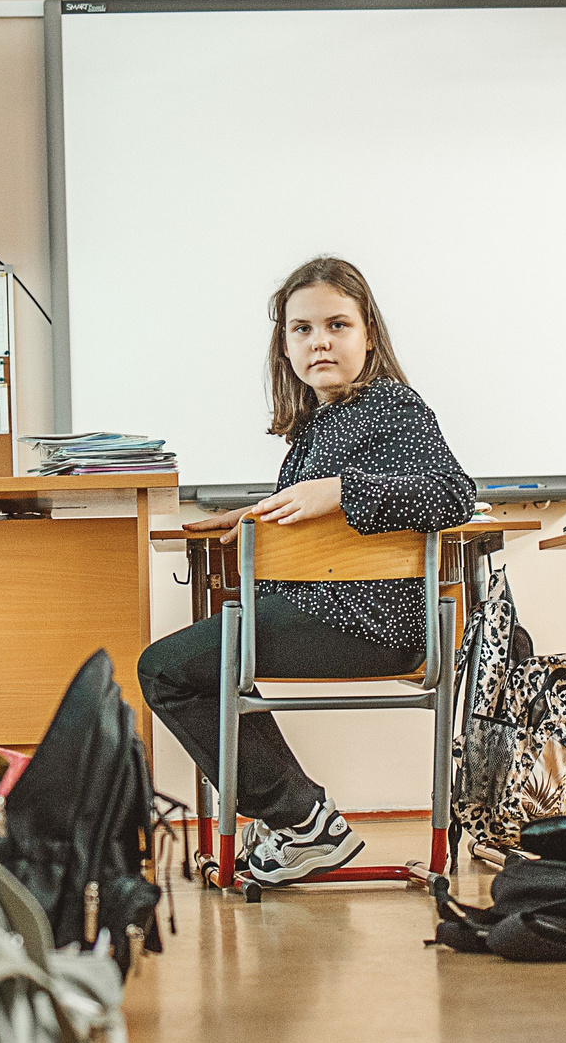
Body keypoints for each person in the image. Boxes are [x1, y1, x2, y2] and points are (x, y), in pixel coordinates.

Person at [139, 257, 475, 886]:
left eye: (337, 325)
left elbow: (452, 493)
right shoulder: (319, 428)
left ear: (367, 335)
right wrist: (259, 517)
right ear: (285, 347)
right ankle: (298, 821)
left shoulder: (392, 405)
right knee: (198, 662)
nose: (319, 340)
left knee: (166, 669)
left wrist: (342, 490)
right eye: (301, 329)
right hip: (330, 612)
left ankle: (305, 821)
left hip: (370, 623)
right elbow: (322, 528)